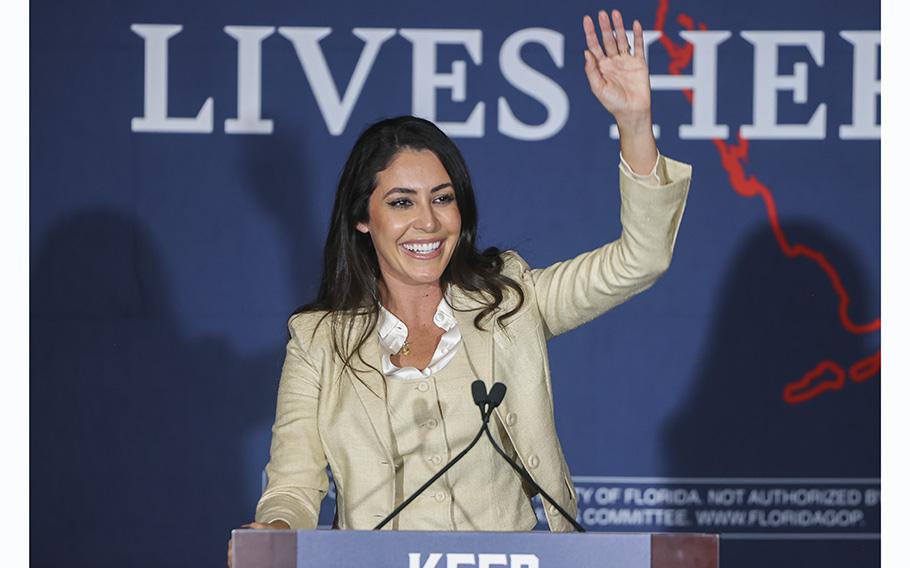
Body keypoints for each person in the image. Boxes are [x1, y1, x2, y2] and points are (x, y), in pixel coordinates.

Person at [229, 6, 691, 563]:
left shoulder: (513, 300)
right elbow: (293, 487)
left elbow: (641, 258)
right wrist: (272, 530)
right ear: (362, 217)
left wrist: (634, 124)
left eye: (442, 198)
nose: (427, 222)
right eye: (401, 203)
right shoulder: (317, 342)